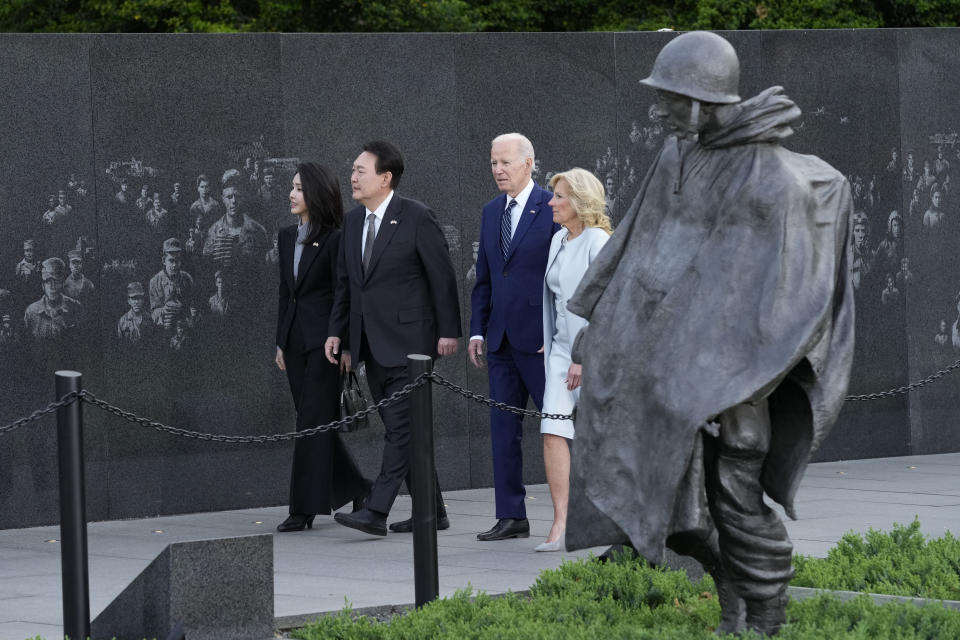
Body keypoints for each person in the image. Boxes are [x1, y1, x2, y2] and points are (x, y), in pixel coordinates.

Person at [562, 32, 854, 637]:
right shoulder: (677, 155)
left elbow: (786, 303)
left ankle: (766, 621)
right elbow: (635, 246)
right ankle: (731, 608)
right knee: (685, 514)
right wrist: (601, 326)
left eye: (669, 97)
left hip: (733, 387)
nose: (658, 109)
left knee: (736, 503)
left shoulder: (772, 178)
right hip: (662, 375)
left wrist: (729, 385)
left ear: (702, 100)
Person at [326, 141, 461, 537]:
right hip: (370, 346)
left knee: (400, 429)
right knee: (408, 429)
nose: (352, 177)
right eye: (352, 170)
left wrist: (449, 331)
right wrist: (341, 336)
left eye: (360, 171)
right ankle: (433, 512)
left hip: (412, 344)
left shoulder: (416, 216)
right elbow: (346, 285)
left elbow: (443, 277)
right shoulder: (352, 223)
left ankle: (377, 509)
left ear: (385, 178)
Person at [468, 133, 558, 542]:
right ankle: (511, 515)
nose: (498, 170)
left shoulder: (552, 207)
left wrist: (556, 332)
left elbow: (564, 278)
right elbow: (484, 278)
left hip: (542, 342)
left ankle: (580, 511)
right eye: (492, 162)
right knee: (503, 432)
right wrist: (476, 330)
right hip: (500, 342)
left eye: (505, 162)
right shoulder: (490, 212)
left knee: (561, 429)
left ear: (528, 164)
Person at [274, 163, 372, 532]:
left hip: (326, 345)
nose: (292, 194)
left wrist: (346, 344)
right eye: (291, 187)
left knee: (311, 424)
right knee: (312, 422)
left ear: (314, 193)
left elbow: (343, 294)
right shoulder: (286, 236)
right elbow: (286, 293)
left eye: (299, 188)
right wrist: (280, 342)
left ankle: (303, 508)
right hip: (295, 342)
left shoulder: (335, 238)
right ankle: (360, 487)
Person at [536, 168, 611, 552]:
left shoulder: (598, 241)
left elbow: (608, 305)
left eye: (560, 196)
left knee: (598, 438)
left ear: (580, 202)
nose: (552, 202)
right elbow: (555, 297)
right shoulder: (558, 241)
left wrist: (584, 355)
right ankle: (562, 525)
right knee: (553, 430)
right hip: (560, 351)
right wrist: (550, 342)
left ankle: (607, 521)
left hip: (592, 352)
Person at [24, 258, 84, 339]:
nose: (52, 287)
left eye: (56, 281)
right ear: (43, 286)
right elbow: (27, 345)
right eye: (48, 282)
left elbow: (82, 343)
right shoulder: (32, 312)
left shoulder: (75, 307)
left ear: (63, 283)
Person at [149, 238, 195, 328]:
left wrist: (189, 314)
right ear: (163, 261)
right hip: (165, 326)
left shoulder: (187, 279)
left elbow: (193, 306)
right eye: (171, 261)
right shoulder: (155, 281)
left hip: (184, 325)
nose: (174, 265)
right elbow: (153, 312)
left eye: (177, 260)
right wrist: (164, 310)